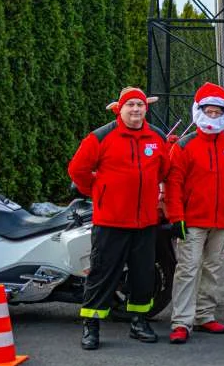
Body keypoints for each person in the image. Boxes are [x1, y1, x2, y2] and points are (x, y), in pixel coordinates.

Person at [69, 87, 169, 350]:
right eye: (130, 105)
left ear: (146, 108)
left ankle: (139, 322)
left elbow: (163, 170)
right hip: (110, 222)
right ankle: (91, 326)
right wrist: (98, 191)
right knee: (102, 275)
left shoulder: (157, 137)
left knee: (143, 276)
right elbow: (77, 169)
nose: (135, 109)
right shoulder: (101, 137)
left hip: (145, 223)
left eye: (139, 105)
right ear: (119, 109)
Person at [164, 83, 224, 344]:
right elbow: (173, 184)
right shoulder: (184, 146)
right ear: (199, 111)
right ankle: (182, 321)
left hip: (222, 220)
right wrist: (176, 217)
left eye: (217, 112)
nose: (213, 116)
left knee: (212, 269)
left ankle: (204, 315)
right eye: (208, 111)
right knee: (188, 269)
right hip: (192, 220)